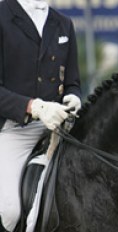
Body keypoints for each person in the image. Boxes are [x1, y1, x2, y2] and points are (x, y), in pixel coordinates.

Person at [0, 0, 82, 231]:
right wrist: (33, 107)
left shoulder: (64, 23)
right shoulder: (2, 16)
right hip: (15, 127)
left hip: (59, 125)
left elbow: (73, 82)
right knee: (10, 210)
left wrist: (74, 97)